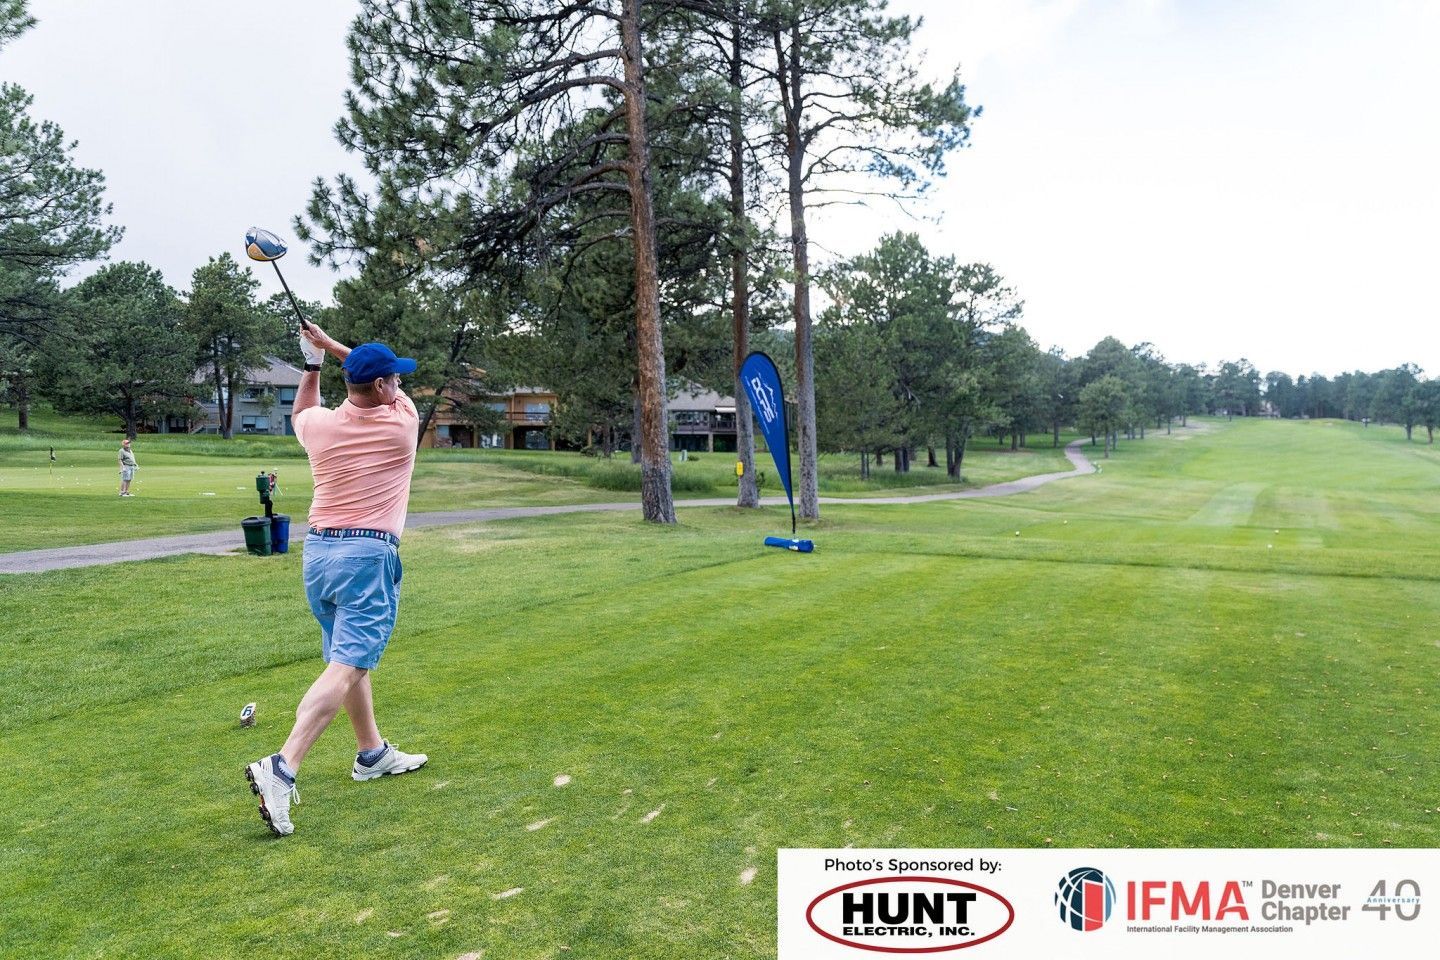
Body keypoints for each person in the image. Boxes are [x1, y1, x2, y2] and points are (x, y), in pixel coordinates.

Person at [243, 323, 428, 836]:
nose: (398, 383)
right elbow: (372, 374)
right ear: (384, 387)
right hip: (367, 556)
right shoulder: (402, 423)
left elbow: (302, 409)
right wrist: (331, 347)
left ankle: (372, 753)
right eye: (394, 378)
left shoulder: (319, 427)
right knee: (348, 666)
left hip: (319, 553)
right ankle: (282, 766)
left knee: (346, 659)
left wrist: (313, 361)